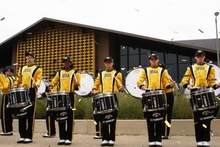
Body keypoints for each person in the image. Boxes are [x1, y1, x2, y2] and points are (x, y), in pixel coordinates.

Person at [180, 50, 220, 147]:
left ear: (204, 57)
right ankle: (199, 140)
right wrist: (188, 85)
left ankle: (206, 140)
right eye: (198, 56)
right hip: (195, 92)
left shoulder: (210, 68)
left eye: (202, 56)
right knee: (197, 117)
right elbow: (183, 80)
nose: (200, 57)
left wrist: (216, 85)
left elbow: (212, 82)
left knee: (206, 116)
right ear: (195, 57)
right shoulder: (190, 68)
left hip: (206, 92)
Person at [137, 53, 176, 147]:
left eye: (155, 59)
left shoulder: (163, 71)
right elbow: (139, 81)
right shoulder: (145, 70)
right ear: (150, 60)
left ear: (158, 60)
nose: (153, 60)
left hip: (160, 94)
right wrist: (141, 86)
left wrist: (170, 86)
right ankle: (151, 140)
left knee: (159, 117)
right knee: (150, 118)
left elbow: (166, 83)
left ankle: (158, 139)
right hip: (149, 94)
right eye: (151, 59)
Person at [91, 56, 124, 146]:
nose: (108, 64)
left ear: (112, 63)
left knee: (112, 119)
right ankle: (105, 138)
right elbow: (96, 84)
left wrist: (121, 88)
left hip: (112, 97)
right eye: (106, 62)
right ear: (104, 63)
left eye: (109, 62)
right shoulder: (101, 73)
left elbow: (120, 86)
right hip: (102, 97)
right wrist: (94, 89)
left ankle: (112, 139)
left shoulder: (117, 73)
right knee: (103, 119)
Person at [49, 56, 80, 145]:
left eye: (67, 62)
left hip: (70, 95)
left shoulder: (75, 73)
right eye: (64, 62)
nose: (66, 63)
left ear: (71, 62)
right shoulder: (59, 72)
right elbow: (54, 81)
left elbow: (77, 87)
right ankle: (62, 137)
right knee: (61, 116)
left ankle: (68, 138)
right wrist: (51, 86)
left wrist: (77, 85)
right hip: (61, 95)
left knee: (69, 117)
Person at [14, 52, 43, 144]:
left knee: (30, 113)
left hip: (31, 91)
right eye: (27, 58)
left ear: (34, 59)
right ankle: (22, 135)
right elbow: (18, 79)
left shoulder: (38, 69)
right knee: (21, 113)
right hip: (23, 91)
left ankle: (29, 136)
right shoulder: (22, 68)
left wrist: (36, 84)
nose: (28, 59)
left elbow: (39, 79)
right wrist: (15, 85)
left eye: (30, 58)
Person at [158, 62, 175, 139]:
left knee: (167, 114)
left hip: (167, 94)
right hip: (160, 94)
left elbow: (167, 85)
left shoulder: (166, 74)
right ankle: (159, 132)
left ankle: (165, 133)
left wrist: (170, 85)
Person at [0, 66, 15, 136]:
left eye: (6, 71)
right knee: (9, 114)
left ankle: (6, 130)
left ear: (9, 71)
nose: (5, 73)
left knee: (4, 114)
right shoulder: (13, 78)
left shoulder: (7, 79)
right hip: (11, 96)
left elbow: (5, 87)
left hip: (6, 95)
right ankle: (10, 129)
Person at [43, 72, 58, 138]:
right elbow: (45, 94)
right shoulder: (49, 86)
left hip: (57, 102)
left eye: (53, 77)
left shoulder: (59, 85)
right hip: (50, 103)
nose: (52, 79)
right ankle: (51, 132)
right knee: (49, 117)